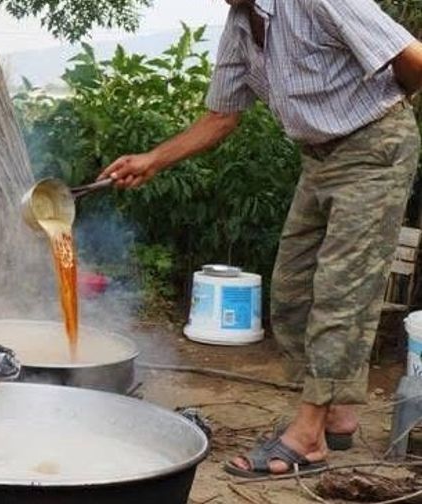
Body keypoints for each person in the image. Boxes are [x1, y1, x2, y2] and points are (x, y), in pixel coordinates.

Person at [99, 0, 422, 477]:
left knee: (341, 293)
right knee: (291, 293)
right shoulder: (239, 28)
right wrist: (153, 159)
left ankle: (309, 436)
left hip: (375, 148)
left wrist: (387, 110)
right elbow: (221, 117)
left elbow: (412, 58)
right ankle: (336, 412)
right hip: (317, 159)